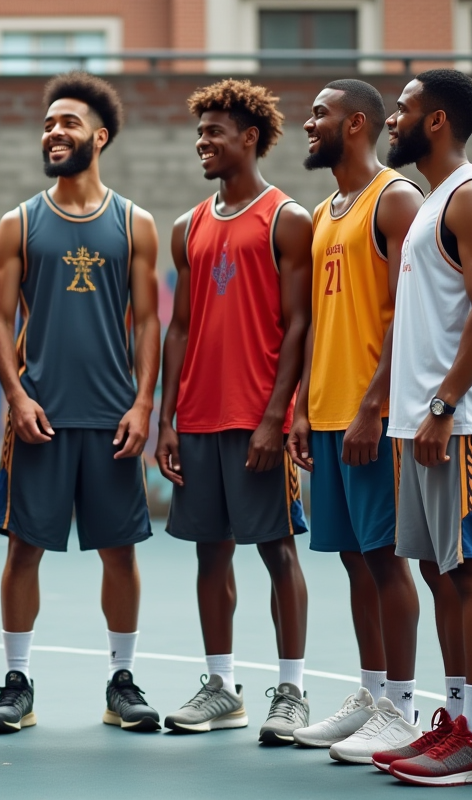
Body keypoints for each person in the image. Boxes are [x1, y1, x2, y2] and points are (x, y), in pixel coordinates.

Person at [0, 72, 161, 734]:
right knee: (23, 550)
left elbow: (148, 322)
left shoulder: (135, 222)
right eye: (48, 123)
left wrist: (144, 403)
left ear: (100, 136)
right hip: (41, 416)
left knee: (120, 551)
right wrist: (15, 394)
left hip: (113, 414)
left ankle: (122, 680)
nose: (54, 132)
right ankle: (17, 683)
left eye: (68, 123)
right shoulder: (19, 222)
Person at [371, 69, 472, 786]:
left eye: (399, 110)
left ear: (434, 121)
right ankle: (458, 720)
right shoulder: (431, 206)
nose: (388, 120)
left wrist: (443, 404)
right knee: (439, 572)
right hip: (424, 423)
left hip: (456, 422)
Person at [156, 79, 312, 741]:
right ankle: (222, 688)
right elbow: (180, 329)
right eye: (200, 133)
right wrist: (167, 417)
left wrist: (278, 415)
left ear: (250, 137)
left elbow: (300, 323)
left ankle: (292, 691)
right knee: (208, 555)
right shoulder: (186, 226)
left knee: (276, 551)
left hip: (258, 419)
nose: (203, 143)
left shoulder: (288, 219)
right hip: (197, 419)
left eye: (214, 132)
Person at [286, 80, 426, 761]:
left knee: (386, 559)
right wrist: (303, 408)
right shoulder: (322, 212)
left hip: (376, 415)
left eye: (320, 113)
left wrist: (374, 406)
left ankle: (402, 706)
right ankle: (371, 697)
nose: (308, 123)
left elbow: (408, 315)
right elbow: (317, 323)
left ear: (358, 124)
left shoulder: (395, 199)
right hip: (329, 413)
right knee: (352, 560)